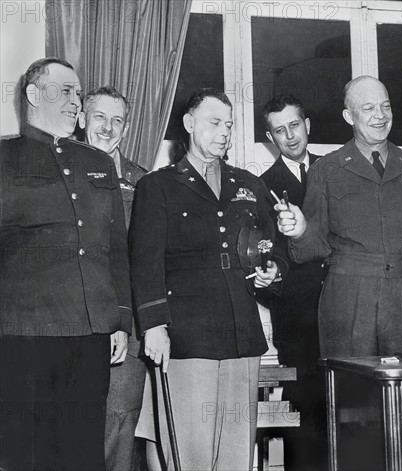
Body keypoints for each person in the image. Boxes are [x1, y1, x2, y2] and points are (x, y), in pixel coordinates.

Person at [129, 88, 286, 470]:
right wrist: (153, 326)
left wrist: (272, 272)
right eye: (215, 123)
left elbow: (272, 247)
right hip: (186, 337)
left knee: (235, 450)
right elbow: (144, 260)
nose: (224, 132)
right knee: (187, 447)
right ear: (188, 124)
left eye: (229, 125)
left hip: (240, 335)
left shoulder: (249, 185)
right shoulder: (158, 186)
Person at [0, 58, 132, 470]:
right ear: (34, 94)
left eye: (78, 92)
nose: (76, 101)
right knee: (28, 454)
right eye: (65, 91)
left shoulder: (97, 163)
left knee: (82, 452)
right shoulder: (4, 158)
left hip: (90, 333)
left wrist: (121, 322)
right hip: (25, 334)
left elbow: (115, 250)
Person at [276, 76, 402, 358]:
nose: (380, 116)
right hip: (348, 301)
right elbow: (311, 250)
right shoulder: (327, 170)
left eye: (386, 106)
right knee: (352, 395)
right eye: (369, 108)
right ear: (349, 116)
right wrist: (300, 231)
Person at [78, 86, 147, 471]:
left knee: (120, 428)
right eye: (100, 117)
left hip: (127, 329)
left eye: (117, 119)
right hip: (75, 323)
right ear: (82, 119)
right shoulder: (61, 174)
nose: (108, 127)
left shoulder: (143, 182)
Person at [260, 95, 328, 471]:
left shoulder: (335, 170)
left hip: (343, 312)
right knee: (304, 421)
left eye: (294, 126)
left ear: (308, 125)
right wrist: (273, 281)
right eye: (279, 130)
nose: (290, 136)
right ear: (271, 137)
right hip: (298, 323)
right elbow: (261, 263)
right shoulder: (261, 186)